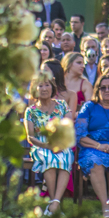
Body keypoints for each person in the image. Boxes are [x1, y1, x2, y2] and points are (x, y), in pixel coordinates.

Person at [24, 69, 74, 210]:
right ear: (35, 89)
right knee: (49, 158)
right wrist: (47, 146)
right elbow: (30, 136)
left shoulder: (62, 105)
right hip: (41, 145)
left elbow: (68, 125)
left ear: (52, 87)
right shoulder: (31, 110)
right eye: (40, 85)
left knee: (66, 157)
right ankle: (54, 203)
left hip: (60, 142)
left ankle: (54, 203)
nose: (44, 88)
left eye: (47, 85)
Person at [75, 71, 109, 202]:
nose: (107, 90)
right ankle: (105, 206)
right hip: (92, 147)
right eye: (103, 87)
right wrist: (99, 146)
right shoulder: (89, 107)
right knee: (95, 162)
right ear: (97, 90)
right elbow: (79, 134)